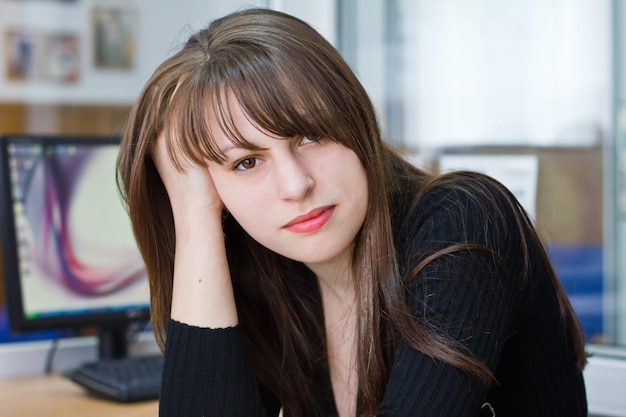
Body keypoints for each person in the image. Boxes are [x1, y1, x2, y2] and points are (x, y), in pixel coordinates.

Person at [116, 8, 588, 417]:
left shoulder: (464, 221)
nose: (296, 185)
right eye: (245, 162)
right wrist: (196, 216)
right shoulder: (269, 272)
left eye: (309, 134)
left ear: (352, 117)